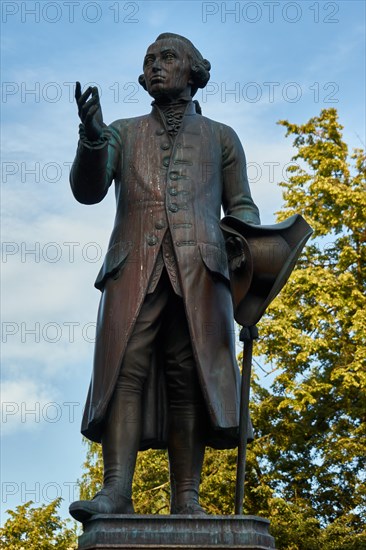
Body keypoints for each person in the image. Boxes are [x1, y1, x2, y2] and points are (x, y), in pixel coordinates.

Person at [69, 32, 260, 522]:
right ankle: (115, 491)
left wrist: (250, 258)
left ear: (193, 70)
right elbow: (88, 190)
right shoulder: (121, 132)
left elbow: (242, 209)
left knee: (189, 376)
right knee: (123, 371)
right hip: (133, 268)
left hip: (201, 273)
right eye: (149, 60)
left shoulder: (221, 137)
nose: (156, 66)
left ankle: (187, 497)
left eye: (167, 58)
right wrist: (91, 138)